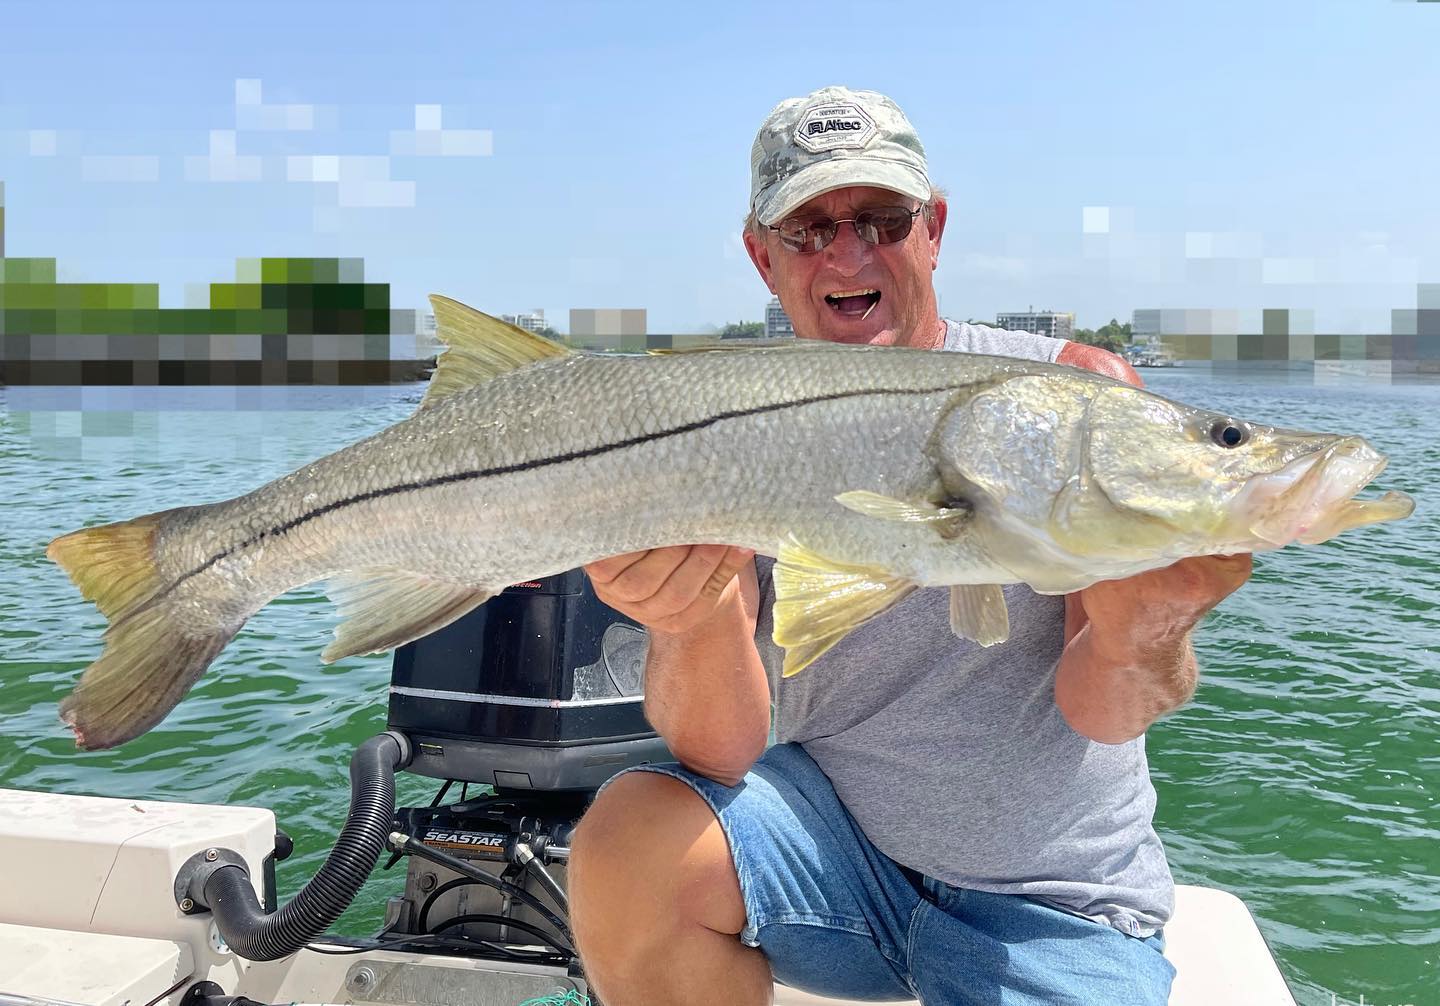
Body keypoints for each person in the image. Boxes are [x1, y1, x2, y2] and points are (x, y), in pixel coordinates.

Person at [568, 86, 1251, 1006]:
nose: (848, 253)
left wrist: (1149, 633)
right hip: (830, 863)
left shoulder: (1074, 397)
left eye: (883, 220)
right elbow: (720, 750)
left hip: (1053, 901)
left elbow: (1106, 713)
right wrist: (684, 618)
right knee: (630, 838)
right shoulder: (721, 425)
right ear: (762, 256)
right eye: (808, 229)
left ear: (934, 229)